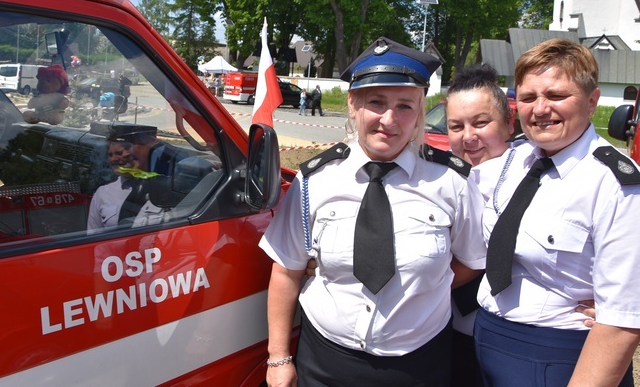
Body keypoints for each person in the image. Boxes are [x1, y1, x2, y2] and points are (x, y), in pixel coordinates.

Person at [260, 37, 485, 387]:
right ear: (353, 105)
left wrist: (423, 286)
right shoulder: (314, 181)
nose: (389, 119)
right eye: (376, 102)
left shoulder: (451, 182)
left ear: (420, 111)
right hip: (325, 360)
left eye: (405, 106)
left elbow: (471, 260)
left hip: (418, 364)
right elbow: (286, 271)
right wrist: (278, 359)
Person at [472, 38, 640, 386]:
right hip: (488, 339)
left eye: (557, 96)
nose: (540, 108)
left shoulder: (617, 185)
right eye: (529, 98)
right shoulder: (515, 159)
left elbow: (623, 320)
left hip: (559, 357)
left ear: (592, 102)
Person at [444, 64, 516, 387]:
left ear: (509, 124)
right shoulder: (439, 181)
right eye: (456, 126)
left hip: (509, 340)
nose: (468, 137)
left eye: (481, 123)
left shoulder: (540, 181)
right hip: (448, 335)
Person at [86, 124, 157, 233]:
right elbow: (92, 237)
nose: (113, 159)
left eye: (119, 153)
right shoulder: (103, 193)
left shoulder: (161, 188)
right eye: (110, 155)